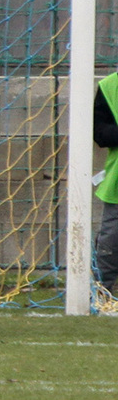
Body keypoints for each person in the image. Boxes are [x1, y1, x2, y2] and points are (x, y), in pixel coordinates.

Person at [94, 70, 118, 295]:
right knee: (111, 239)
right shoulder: (109, 86)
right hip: (117, 182)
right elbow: (100, 134)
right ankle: (103, 291)